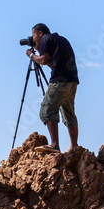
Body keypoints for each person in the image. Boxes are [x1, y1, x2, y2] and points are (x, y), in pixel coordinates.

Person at [25, 23, 79, 154]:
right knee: (68, 113)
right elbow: (51, 64)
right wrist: (38, 49)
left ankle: (55, 145)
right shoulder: (59, 39)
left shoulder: (45, 39)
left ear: (40, 33)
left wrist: (32, 55)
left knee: (46, 110)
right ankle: (74, 146)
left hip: (59, 81)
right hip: (71, 81)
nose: (33, 39)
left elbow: (42, 60)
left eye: (33, 35)